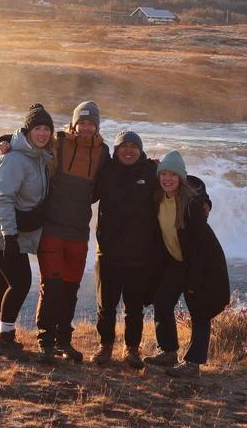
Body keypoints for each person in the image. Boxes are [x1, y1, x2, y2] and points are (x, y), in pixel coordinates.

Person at [0, 101, 109, 363]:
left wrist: (152, 166)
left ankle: (64, 341)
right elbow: (28, 141)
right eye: (82, 122)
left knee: (71, 288)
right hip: (52, 229)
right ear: (74, 123)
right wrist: (3, 142)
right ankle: (45, 341)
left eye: (92, 123)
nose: (87, 127)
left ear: (97, 126)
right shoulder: (58, 141)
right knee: (52, 286)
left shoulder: (103, 153)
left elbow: (114, 177)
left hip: (79, 232)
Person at [0, 103, 55, 361]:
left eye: (47, 128)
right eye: (37, 128)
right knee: (20, 283)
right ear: (28, 131)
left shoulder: (38, 155)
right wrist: (9, 235)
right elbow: (2, 199)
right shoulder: (15, 159)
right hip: (2, 230)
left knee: (0, 281)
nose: (42, 133)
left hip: (5, 229)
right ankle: (4, 339)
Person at [143, 150, 230, 378]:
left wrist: (193, 281)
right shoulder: (158, 197)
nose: (167, 179)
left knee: (199, 312)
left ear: (180, 178)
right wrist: (149, 163)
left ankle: (193, 364)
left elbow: (199, 248)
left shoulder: (192, 204)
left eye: (173, 175)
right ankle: (169, 351)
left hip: (202, 264)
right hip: (177, 261)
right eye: (164, 174)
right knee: (162, 302)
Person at [91, 130, 158, 368]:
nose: (128, 150)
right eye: (123, 146)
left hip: (139, 256)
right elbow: (82, 189)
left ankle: (132, 350)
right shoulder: (105, 172)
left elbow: (179, 181)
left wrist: (204, 200)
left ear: (140, 150)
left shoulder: (151, 172)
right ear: (116, 150)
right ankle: (105, 346)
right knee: (106, 306)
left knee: (134, 309)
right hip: (108, 253)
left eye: (133, 146)